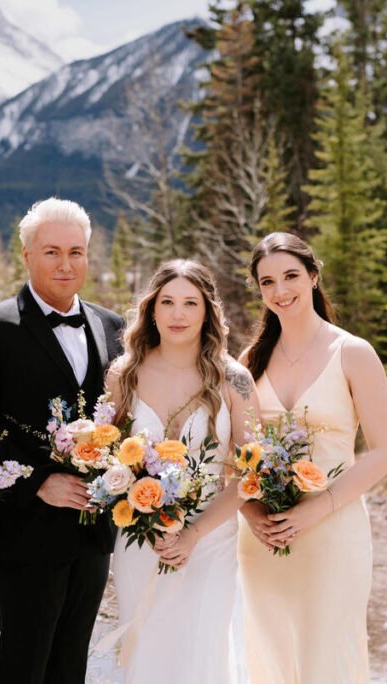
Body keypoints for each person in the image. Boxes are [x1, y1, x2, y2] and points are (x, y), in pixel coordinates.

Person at [0, 198, 125, 684]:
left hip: (93, 529)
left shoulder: (113, 327)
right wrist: (37, 484)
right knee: (24, 664)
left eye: (76, 251)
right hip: (24, 528)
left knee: (72, 663)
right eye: (51, 252)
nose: (65, 264)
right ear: (26, 255)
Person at [237, 232, 387, 683]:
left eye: (290, 276)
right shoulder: (250, 360)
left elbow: (386, 451)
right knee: (267, 655)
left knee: (328, 657)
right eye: (267, 282)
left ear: (313, 275)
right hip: (263, 538)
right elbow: (239, 451)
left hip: (333, 530)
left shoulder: (352, 352)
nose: (281, 290)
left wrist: (318, 508)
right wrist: (251, 512)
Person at [105, 259, 259, 684]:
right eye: (167, 302)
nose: (177, 314)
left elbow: (251, 472)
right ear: (151, 309)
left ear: (208, 311)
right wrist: (146, 522)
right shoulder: (124, 375)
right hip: (142, 541)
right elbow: (108, 460)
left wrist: (193, 533)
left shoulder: (234, 379)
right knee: (150, 653)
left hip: (211, 541)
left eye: (190, 303)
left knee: (202, 653)